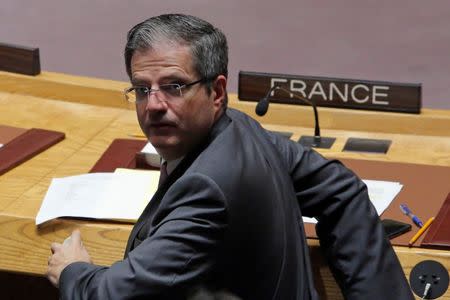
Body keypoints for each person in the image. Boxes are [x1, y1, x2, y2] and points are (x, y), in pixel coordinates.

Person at [47, 14, 414, 299]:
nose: (153, 105)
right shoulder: (240, 128)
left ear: (216, 91)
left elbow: (113, 294)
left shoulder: (207, 189)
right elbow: (342, 190)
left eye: (174, 87)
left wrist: (72, 270)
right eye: (142, 89)